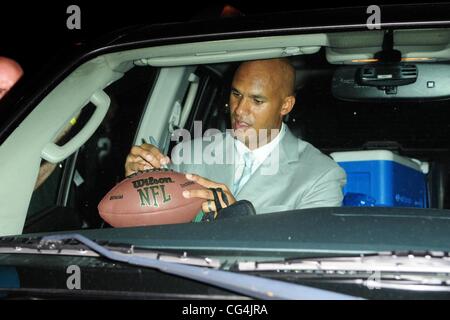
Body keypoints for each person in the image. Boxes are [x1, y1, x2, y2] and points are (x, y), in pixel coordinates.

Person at [125, 58, 346, 217]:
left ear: (285, 105)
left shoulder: (320, 175)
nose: (239, 110)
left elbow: (305, 256)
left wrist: (238, 221)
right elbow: (152, 224)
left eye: (257, 101)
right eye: (236, 94)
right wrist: (136, 184)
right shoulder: (188, 155)